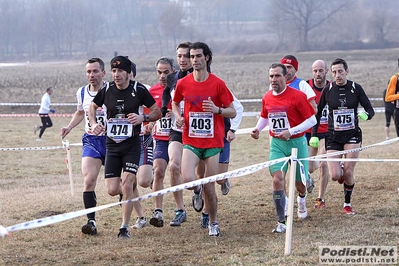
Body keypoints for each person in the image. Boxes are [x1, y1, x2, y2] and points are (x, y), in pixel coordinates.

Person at [88, 56, 162, 239]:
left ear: (129, 73)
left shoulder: (139, 90)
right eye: (113, 71)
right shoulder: (107, 90)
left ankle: (124, 227)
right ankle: (132, 198)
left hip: (132, 144)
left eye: (120, 71)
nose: (116, 74)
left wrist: (142, 118)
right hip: (112, 145)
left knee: (127, 183)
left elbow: (157, 111)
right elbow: (92, 106)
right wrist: (93, 123)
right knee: (113, 190)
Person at [172, 42, 236, 237]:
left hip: (212, 143)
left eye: (198, 56)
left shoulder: (218, 83)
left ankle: (214, 223)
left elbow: (232, 111)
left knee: (210, 186)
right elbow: (174, 103)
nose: (194, 60)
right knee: (189, 180)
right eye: (192, 57)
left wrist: (217, 110)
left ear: (207, 57)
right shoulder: (183, 83)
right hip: (191, 140)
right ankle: (196, 190)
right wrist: (179, 116)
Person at [251, 63, 316, 233]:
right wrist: (258, 128)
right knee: (277, 179)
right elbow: (265, 117)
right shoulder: (267, 97)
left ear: (285, 77)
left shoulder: (297, 96)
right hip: (277, 144)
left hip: (297, 143)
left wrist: (291, 131)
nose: (273, 79)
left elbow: (312, 120)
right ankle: (282, 221)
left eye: (277, 76)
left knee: (300, 184)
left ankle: (301, 198)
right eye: (271, 76)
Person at [309, 58, 375, 215]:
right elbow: (317, 114)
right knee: (335, 175)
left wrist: (366, 115)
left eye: (340, 71)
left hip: (352, 135)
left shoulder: (355, 88)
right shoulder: (328, 89)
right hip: (333, 137)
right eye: (334, 72)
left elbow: (370, 109)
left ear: (347, 71)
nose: (337, 75)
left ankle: (347, 204)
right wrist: (314, 135)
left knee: (349, 172)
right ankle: (341, 171)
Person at [60, 58, 107, 235]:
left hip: (112, 141)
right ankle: (91, 222)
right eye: (88, 72)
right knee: (88, 180)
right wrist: (69, 127)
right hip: (91, 140)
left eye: (95, 71)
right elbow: (81, 111)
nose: (91, 75)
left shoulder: (112, 89)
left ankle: (129, 213)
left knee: (117, 187)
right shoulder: (81, 92)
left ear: (103, 73)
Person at [147, 57, 188, 228]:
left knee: (177, 169)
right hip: (160, 139)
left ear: (173, 72)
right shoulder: (152, 92)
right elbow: (147, 115)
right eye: (159, 72)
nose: (162, 76)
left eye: (166, 72)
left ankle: (180, 209)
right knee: (158, 171)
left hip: (180, 136)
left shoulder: (181, 87)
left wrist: (176, 115)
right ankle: (158, 211)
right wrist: (149, 123)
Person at [157, 42, 193, 227]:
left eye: (186, 56)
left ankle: (199, 196)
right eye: (179, 56)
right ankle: (180, 210)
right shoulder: (173, 78)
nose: (183, 59)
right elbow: (166, 94)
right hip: (177, 130)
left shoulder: (201, 77)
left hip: (197, 132)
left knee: (195, 178)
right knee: (174, 166)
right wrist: (165, 109)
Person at [198, 94, 243, 229]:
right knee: (205, 178)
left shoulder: (220, 88)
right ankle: (206, 212)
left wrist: (232, 129)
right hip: (202, 138)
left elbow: (238, 108)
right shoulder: (190, 87)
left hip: (222, 137)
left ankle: (224, 180)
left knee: (219, 179)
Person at [280, 55, 316, 194]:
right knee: (279, 174)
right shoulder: (274, 85)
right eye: (285, 67)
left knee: (299, 174)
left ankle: (305, 180)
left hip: (298, 134)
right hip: (279, 136)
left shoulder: (302, 85)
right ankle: (284, 203)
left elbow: (314, 109)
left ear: (295, 69)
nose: (287, 70)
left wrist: (297, 116)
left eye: (290, 67)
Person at [128, 60, 153, 229]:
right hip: (122, 143)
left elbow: (155, 112)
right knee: (129, 183)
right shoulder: (112, 92)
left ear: (133, 75)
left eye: (126, 73)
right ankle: (140, 217)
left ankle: (153, 179)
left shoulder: (144, 90)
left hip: (143, 139)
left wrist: (149, 124)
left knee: (143, 181)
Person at [306, 60, 330, 209]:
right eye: (315, 71)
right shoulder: (306, 86)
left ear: (326, 71)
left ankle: (320, 198)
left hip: (326, 132)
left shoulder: (332, 87)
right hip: (309, 131)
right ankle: (309, 178)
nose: (318, 74)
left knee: (323, 163)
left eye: (321, 70)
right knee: (309, 167)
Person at [385, 71, 399, 137]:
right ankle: (387, 137)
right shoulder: (395, 78)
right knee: (387, 123)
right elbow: (388, 98)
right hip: (395, 110)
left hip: (391, 109)